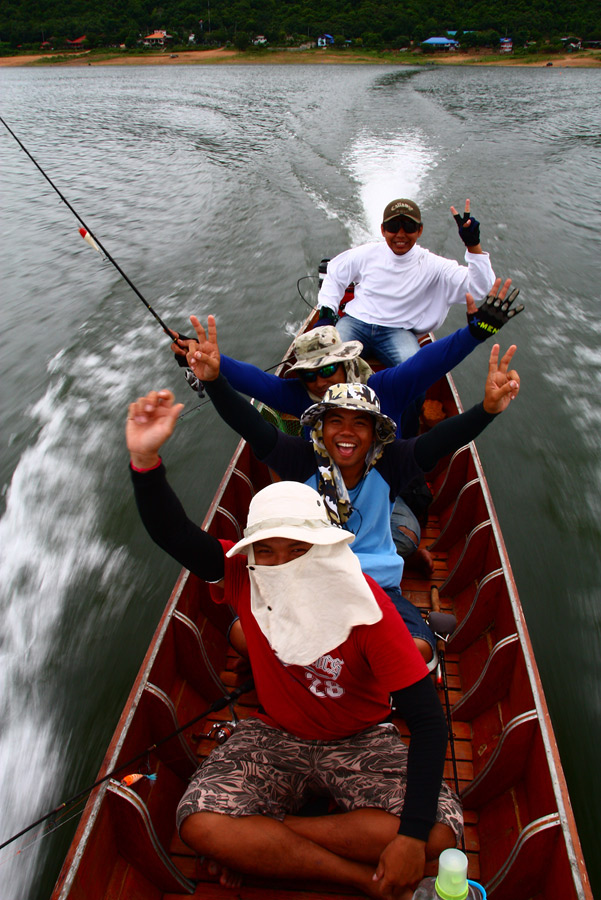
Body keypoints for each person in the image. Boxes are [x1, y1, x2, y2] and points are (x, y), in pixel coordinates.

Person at [126, 392, 462, 898]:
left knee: (435, 831)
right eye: (268, 549)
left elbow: (429, 721)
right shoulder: (243, 572)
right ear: (251, 550)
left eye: (298, 548)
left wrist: (411, 837)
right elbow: (173, 532)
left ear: (324, 545)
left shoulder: (366, 605)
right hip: (275, 734)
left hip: (360, 737)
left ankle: (271, 842)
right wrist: (145, 460)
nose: (281, 562)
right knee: (199, 824)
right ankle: (357, 879)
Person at [185, 318, 520, 666]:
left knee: (420, 651)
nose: (347, 433)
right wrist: (214, 380)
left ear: (376, 431)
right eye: (335, 421)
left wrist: (487, 410)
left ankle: (324, 664)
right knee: (241, 633)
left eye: (359, 422)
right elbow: (250, 425)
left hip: (373, 582)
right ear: (320, 428)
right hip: (307, 576)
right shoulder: (300, 459)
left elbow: (440, 439)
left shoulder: (393, 461)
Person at [171, 279, 522, 567]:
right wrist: (206, 361)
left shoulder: (386, 388)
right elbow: (251, 383)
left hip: (388, 490)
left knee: (401, 537)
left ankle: (407, 556)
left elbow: (428, 363)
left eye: (328, 370)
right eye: (310, 375)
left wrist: (476, 333)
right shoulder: (297, 397)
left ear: (347, 366)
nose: (321, 382)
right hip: (318, 494)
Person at [316, 198, 496, 370]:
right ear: (383, 230)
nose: (400, 234)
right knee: (325, 362)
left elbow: (479, 287)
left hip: (398, 332)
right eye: (393, 227)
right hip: (355, 322)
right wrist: (326, 313)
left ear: (420, 230)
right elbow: (334, 275)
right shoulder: (365, 253)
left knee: (416, 374)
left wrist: (473, 245)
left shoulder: (434, 265)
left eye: (408, 227)